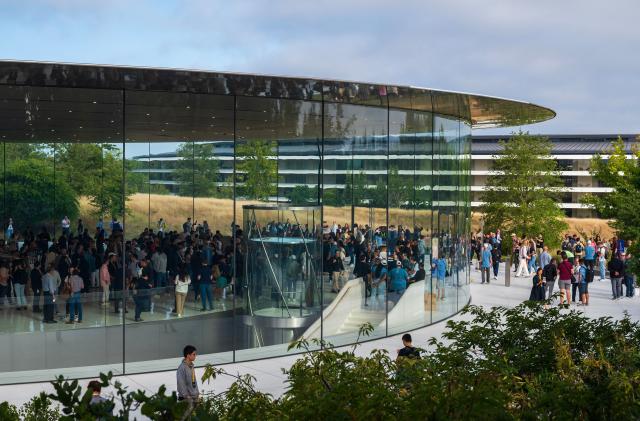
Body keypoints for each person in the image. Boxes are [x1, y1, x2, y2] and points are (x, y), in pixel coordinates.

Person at [177, 345, 199, 420]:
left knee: (190, 417)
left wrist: (197, 393)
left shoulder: (191, 366)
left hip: (194, 397)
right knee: (184, 418)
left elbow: (194, 381)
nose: (195, 356)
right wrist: (187, 396)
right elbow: (181, 383)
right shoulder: (182, 368)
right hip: (186, 398)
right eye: (194, 354)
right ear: (188, 355)